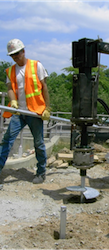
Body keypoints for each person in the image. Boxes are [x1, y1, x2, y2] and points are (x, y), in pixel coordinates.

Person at [0, 38, 51, 186]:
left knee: (39, 143)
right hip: (19, 113)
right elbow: (10, 88)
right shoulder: (10, 71)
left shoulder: (37, 66)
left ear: (23, 51)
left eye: (17, 53)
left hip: (34, 112)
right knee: (6, 141)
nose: (15, 56)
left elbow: (44, 87)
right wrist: (13, 100)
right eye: (13, 55)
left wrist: (47, 108)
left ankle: (41, 173)